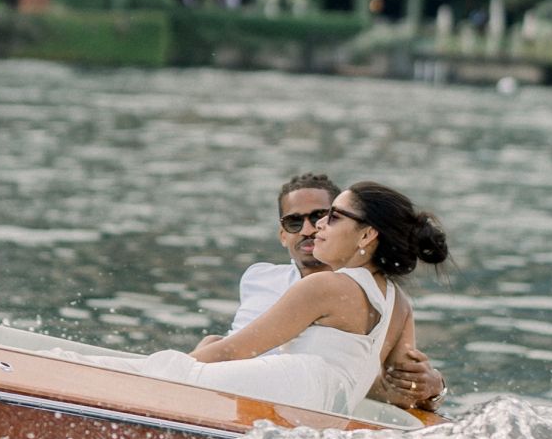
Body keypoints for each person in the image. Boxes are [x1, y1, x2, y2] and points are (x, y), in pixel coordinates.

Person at [138, 183, 451, 418]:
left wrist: (170, 370)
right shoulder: (399, 304)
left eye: (333, 217)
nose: (318, 226)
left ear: (367, 235)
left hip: (293, 389)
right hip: (325, 410)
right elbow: (404, 392)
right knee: (192, 357)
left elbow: (234, 350)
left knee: (167, 371)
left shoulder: (325, 286)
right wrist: (431, 389)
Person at [234, 173, 445, 411]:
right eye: (294, 222)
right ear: (283, 235)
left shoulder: (339, 290)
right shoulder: (259, 279)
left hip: (279, 402)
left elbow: (397, 388)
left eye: (323, 216)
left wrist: (435, 389)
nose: (310, 229)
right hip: (260, 394)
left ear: (363, 233)